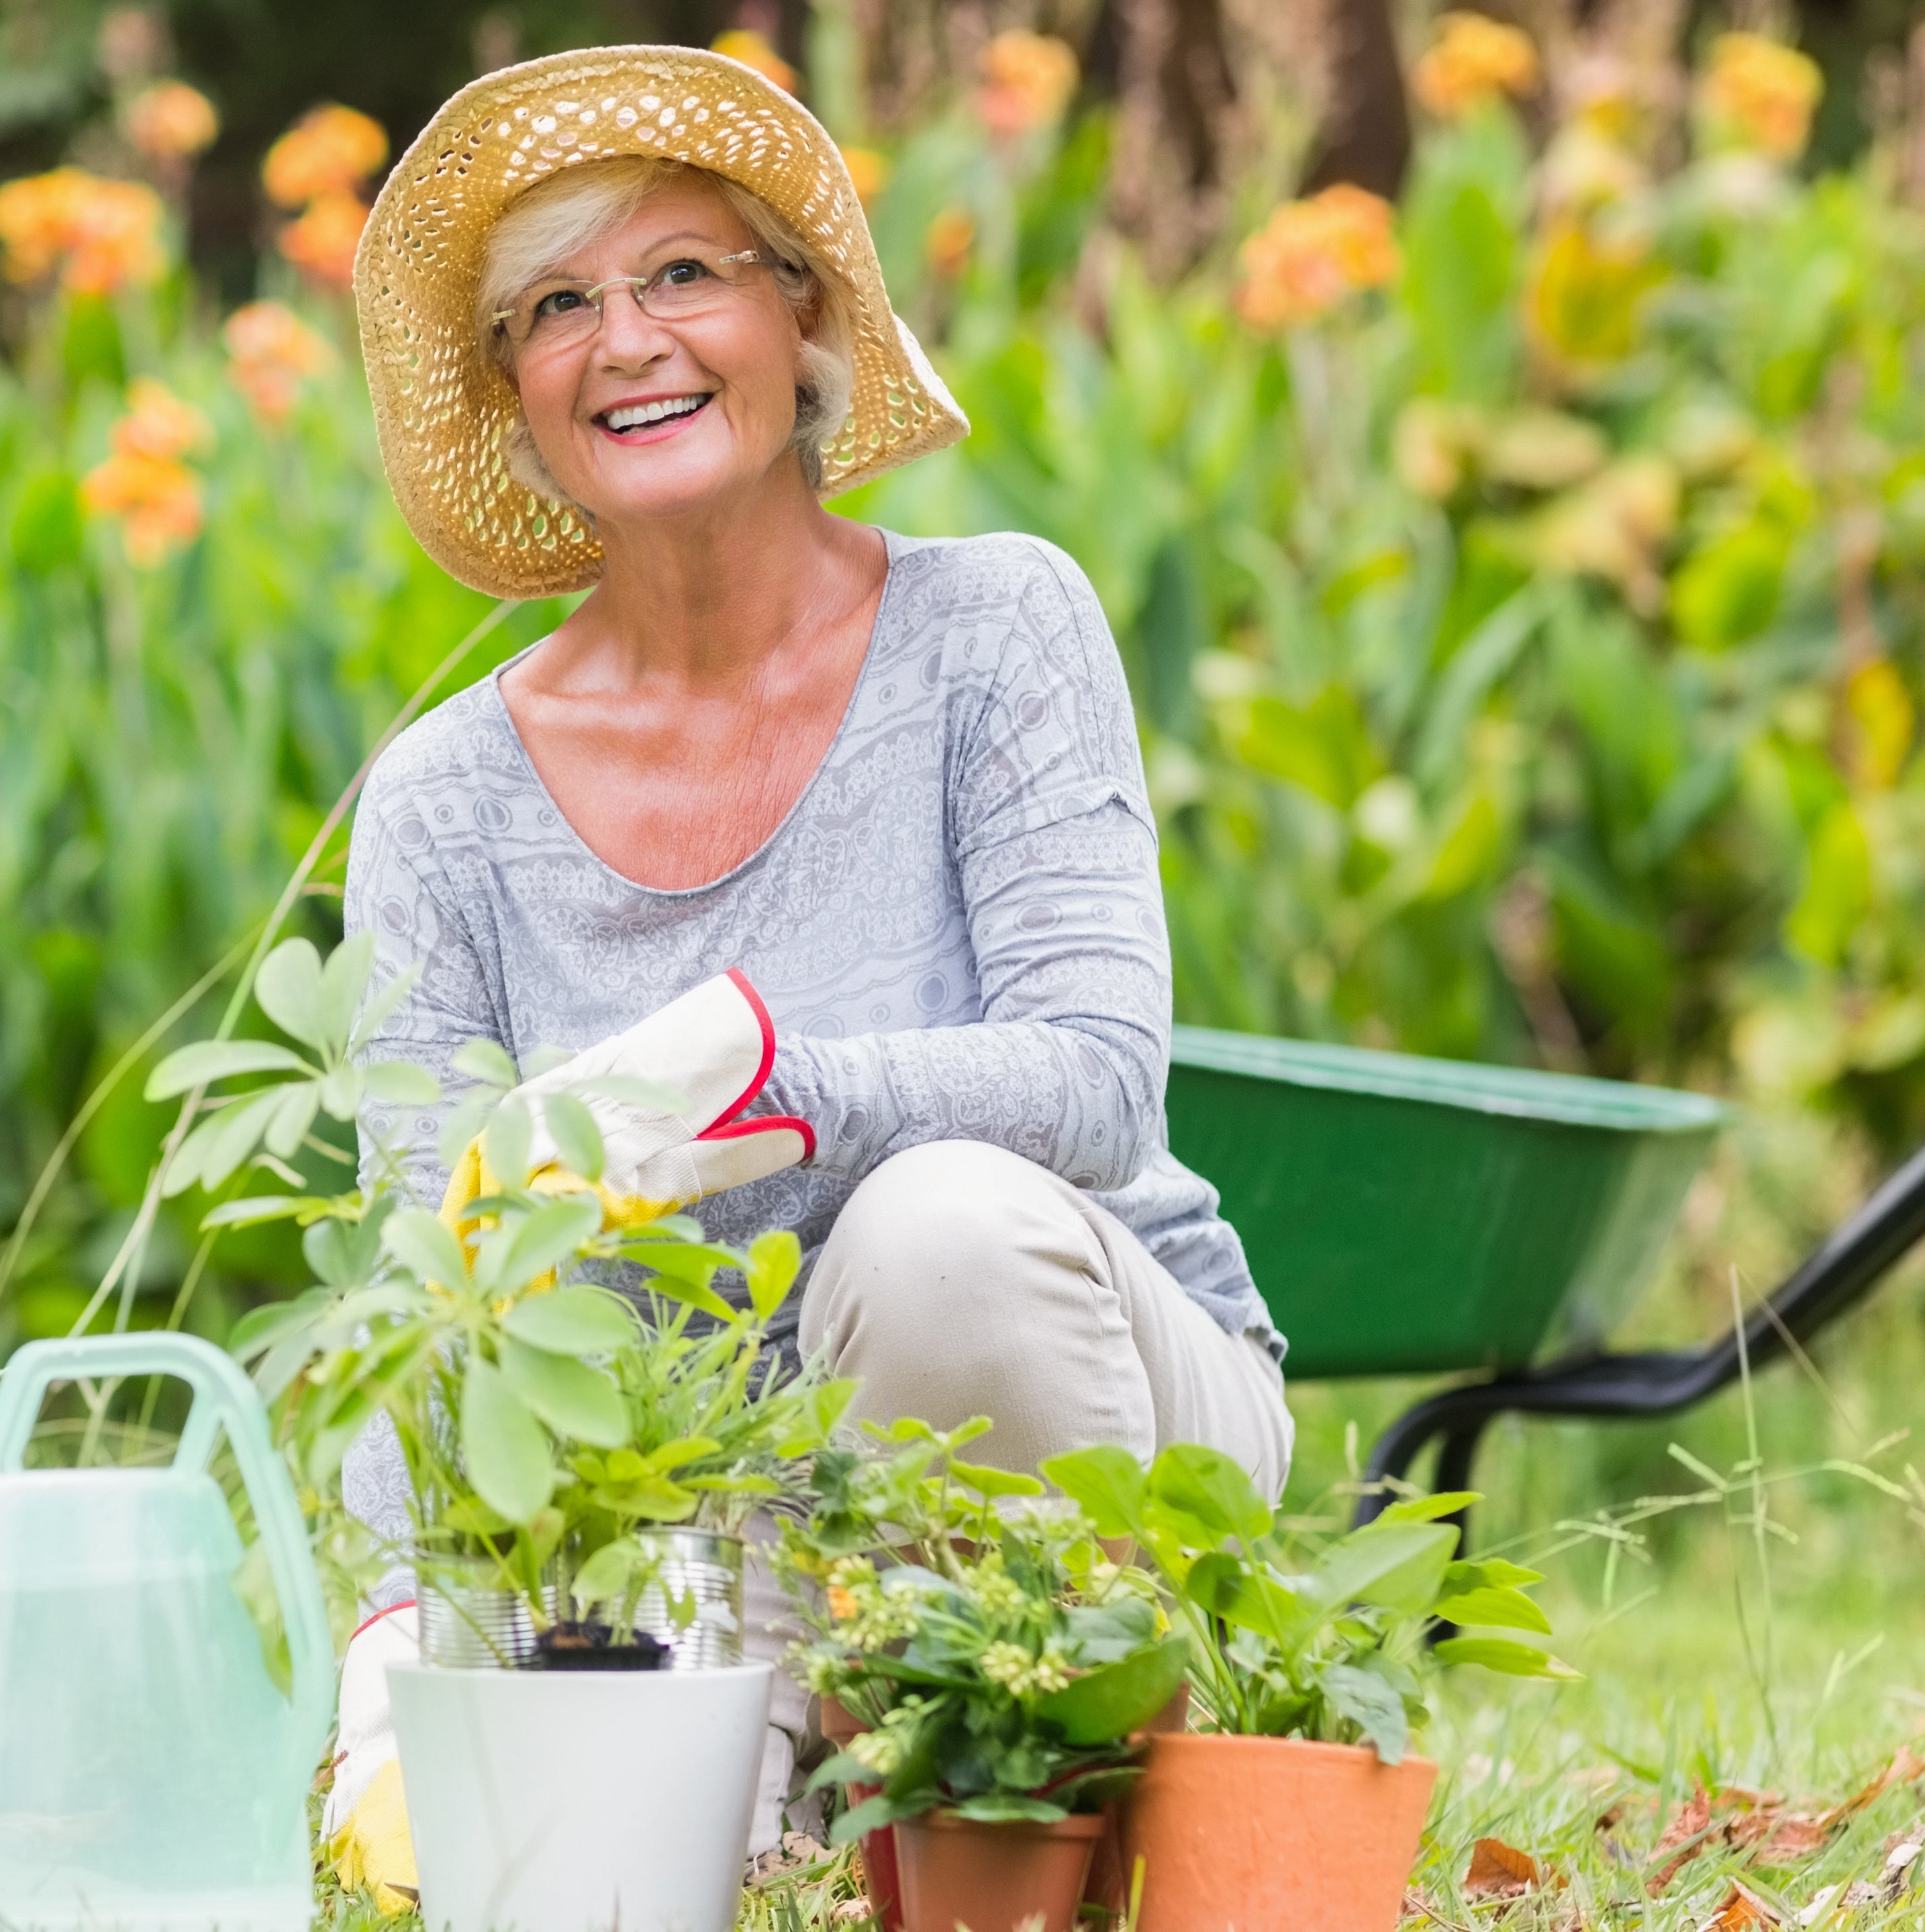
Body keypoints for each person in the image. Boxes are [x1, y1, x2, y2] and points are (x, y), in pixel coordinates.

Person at [315, 44, 1293, 1894]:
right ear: (515, 398)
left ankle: (1019, 1764)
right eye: (555, 309)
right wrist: (391, 1636)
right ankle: (813, 1752)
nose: (626, 342)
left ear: (804, 319)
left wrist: (738, 1101)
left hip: (1083, 1396)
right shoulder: (443, 802)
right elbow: (430, 1278)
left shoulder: (994, 628)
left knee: (936, 1229)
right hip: (680, 1517)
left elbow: (1096, 1081)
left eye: (684, 273)